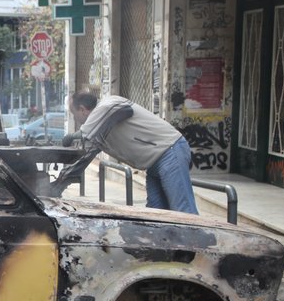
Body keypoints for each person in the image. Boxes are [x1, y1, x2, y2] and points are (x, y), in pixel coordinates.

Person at [64, 91, 199, 214]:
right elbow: (85, 157)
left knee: (184, 211)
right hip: (153, 163)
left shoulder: (109, 104)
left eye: (74, 115)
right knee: (156, 213)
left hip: (169, 151)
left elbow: (124, 111)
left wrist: (73, 136)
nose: (76, 119)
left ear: (82, 109)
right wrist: (62, 182)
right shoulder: (97, 130)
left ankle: (197, 234)